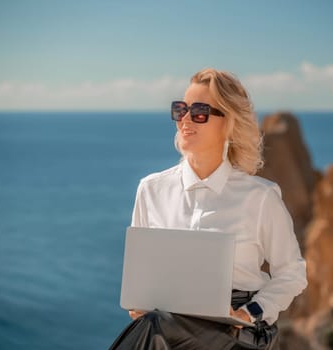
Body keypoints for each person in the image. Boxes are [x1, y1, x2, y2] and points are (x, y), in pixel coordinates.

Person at [109, 68, 307, 350]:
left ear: (229, 122)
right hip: (168, 326)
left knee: (154, 328)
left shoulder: (260, 197)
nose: (186, 120)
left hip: (235, 330)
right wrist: (141, 304)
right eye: (180, 110)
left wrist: (249, 313)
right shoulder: (150, 190)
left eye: (200, 111)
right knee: (155, 324)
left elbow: (292, 273)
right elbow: (143, 279)